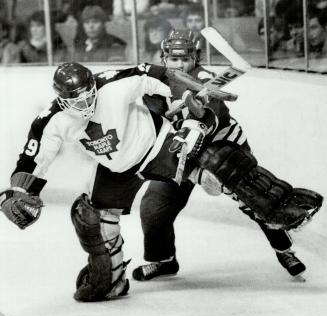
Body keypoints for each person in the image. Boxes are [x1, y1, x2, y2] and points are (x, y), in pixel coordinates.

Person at [0, 42, 322, 302]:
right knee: (91, 218)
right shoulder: (49, 121)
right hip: (116, 168)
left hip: (156, 145)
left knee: (218, 166)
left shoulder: (113, 82)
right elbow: (32, 160)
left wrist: (193, 105)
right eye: (75, 99)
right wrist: (21, 191)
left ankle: (282, 205)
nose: (84, 103)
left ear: (92, 85)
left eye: (88, 95)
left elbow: (158, 75)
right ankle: (110, 280)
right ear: (60, 98)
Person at [132, 29, 323, 281]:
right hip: (181, 156)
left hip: (222, 150)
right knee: (153, 207)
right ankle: (164, 260)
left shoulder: (204, 79)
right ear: (164, 58)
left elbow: (214, 115)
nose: (180, 64)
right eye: (174, 59)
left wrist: (196, 117)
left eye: (185, 58)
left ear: (196, 57)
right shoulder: (155, 84)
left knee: (256, 199)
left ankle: (284, 250)